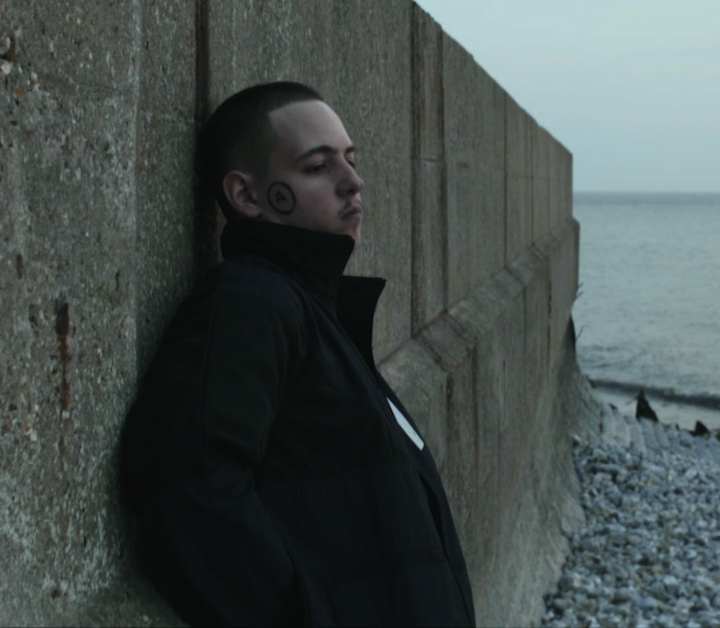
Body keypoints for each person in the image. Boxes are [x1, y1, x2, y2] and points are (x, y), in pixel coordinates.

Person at [120, 82, 475, 627]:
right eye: (317, 167)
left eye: (351, 160)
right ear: (247, 196)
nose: (353, 182)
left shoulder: (313, 313)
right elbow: (188, 484)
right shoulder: (251, 301)